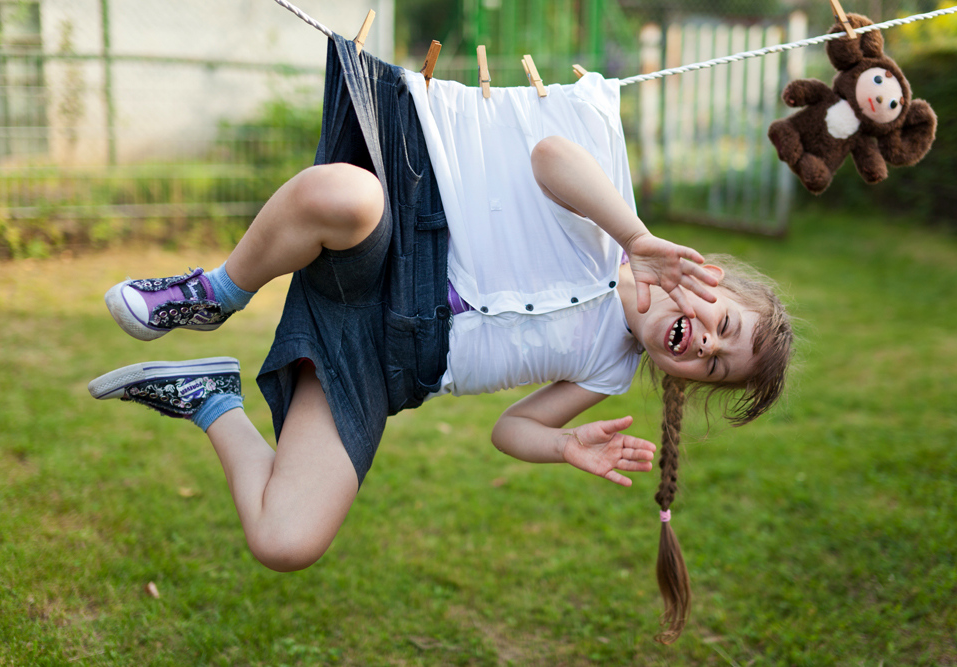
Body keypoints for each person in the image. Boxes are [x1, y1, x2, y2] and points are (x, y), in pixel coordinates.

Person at [88, 34, 792, 643]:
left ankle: (210, 396)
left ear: (689, 381)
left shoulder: (607, 369)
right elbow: (550, 155)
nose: (705, 344)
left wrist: (561, 443)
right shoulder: (614, 226)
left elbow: (510, 429)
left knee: (285, 539)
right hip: (392, 253)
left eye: (714, 366)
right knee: (347, 193)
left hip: (380, 364)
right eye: (724, 325)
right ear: (713, 277)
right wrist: (632, 237)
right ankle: (219, 292)